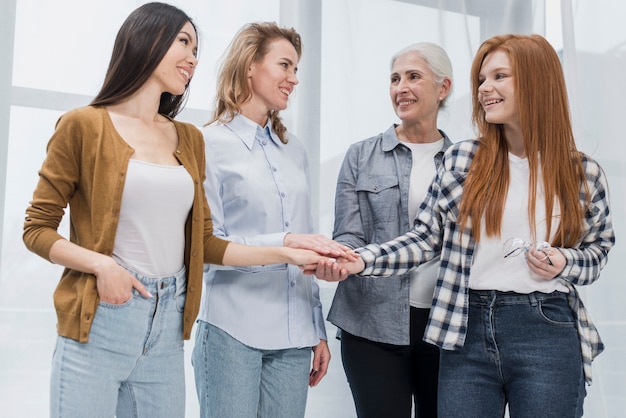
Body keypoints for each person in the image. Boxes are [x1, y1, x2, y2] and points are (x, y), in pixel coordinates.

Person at [22, 4, 340, 418]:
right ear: (146, 40)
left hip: (167, 325)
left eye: (196, 47)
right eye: (183, 42)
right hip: (100, 316)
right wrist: (102, 265)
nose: (193, 58)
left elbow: (206, 243)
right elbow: (36, 229)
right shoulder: (83, 125)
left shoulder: (187, 137)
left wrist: (288, 249)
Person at [316, 34, 614, 418]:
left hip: (546, 328)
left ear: (537, 81)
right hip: (465, 330)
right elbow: (426, 238)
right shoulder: (463, 160)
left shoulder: (582, 173)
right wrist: (360, 260)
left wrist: (565, 262)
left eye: (499, 76)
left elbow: (598, 250)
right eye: (482, 79)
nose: (485, 89)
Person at [191, 22, 337, 418]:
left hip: (293, 338)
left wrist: (317, 330)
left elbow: (306, 246)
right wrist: (284, 243)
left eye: (296, 69)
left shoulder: (295, 151)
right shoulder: (207, 144)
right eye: (285, 66)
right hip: (232, 330)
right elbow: (209, 247)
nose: (294, 79)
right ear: (250, 66)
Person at [322, 42, 453, 418]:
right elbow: (348, 233)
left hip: (444, 326)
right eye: (395, 79)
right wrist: (343, 259)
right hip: (371, 323)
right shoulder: (360, 155)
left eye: (414, 77)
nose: (401, 87)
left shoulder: (466, 161)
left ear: (443, 88)